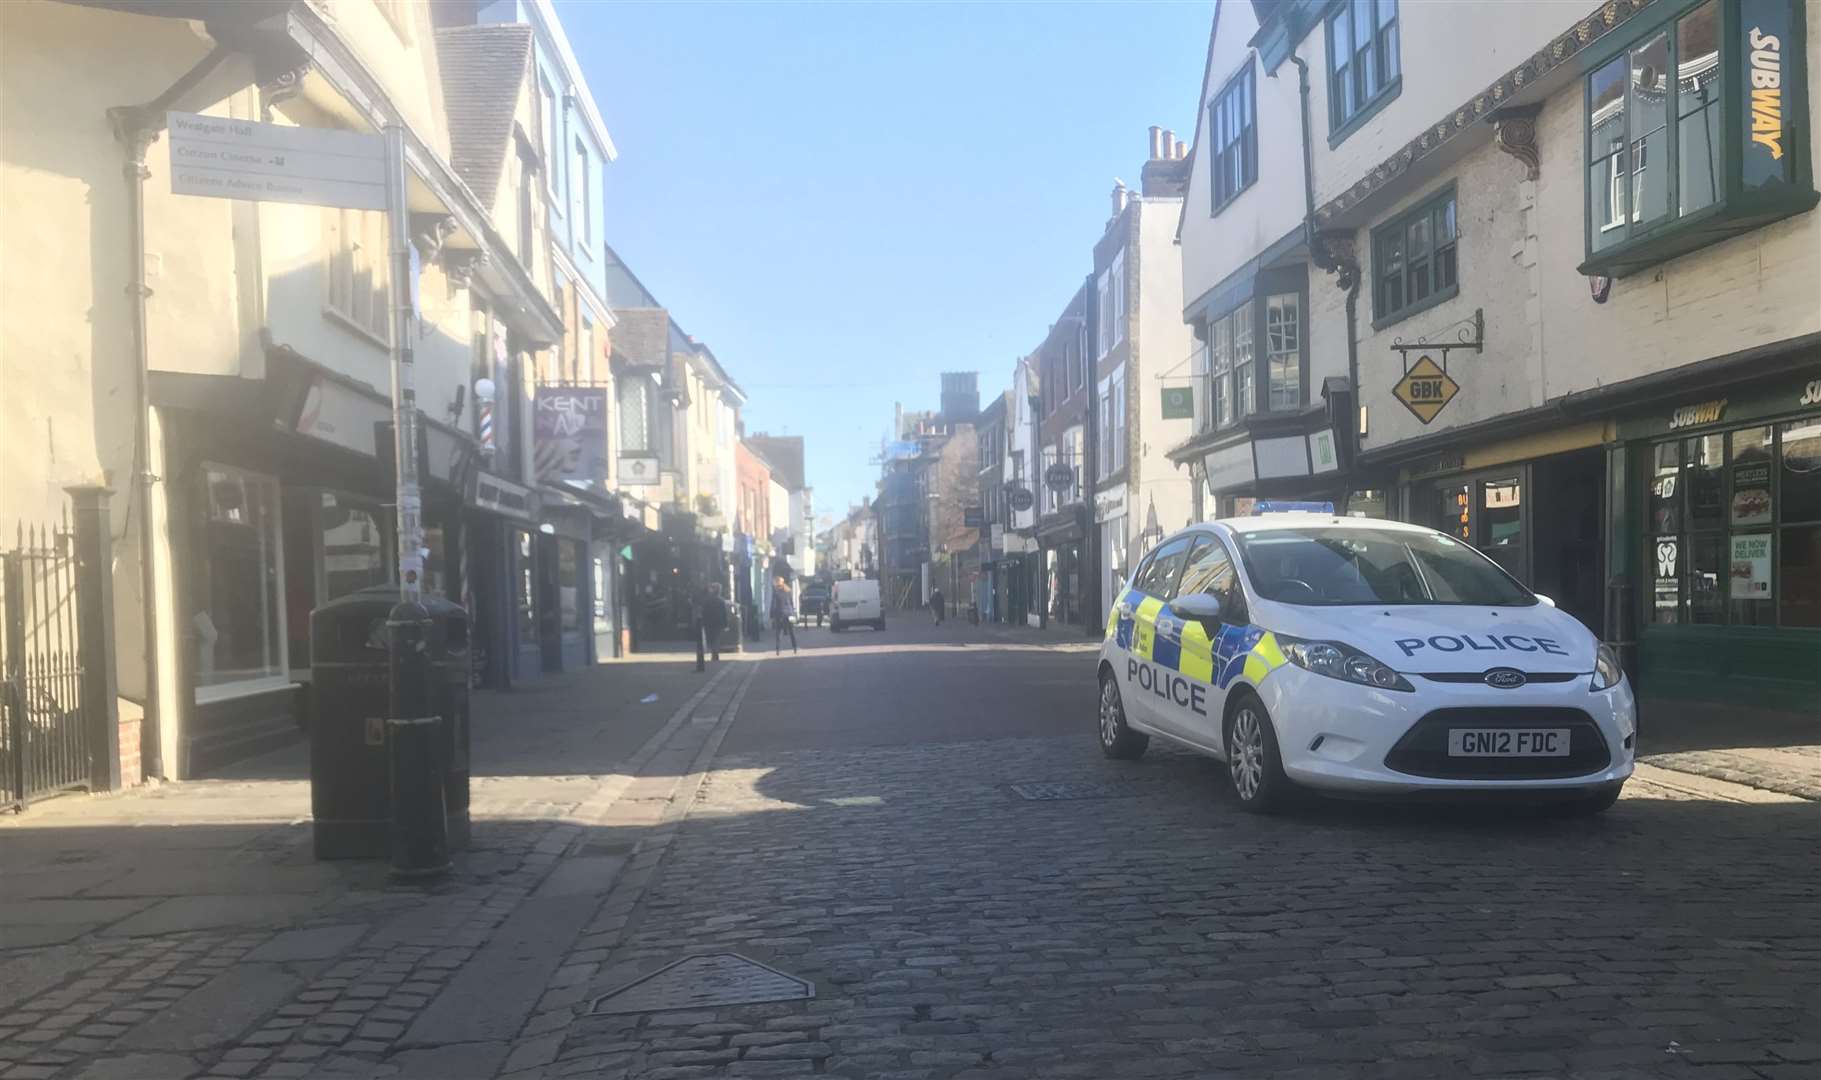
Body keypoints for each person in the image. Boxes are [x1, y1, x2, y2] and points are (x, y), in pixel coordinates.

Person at [696, 582, 728, 662]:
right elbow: (724, 614)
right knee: (716, 639)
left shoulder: (707, 600)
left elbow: (704, 612)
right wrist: (725, 624)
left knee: (711, 638)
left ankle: (714, 653)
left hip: (709, 622)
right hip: (718, 622)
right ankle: (715, 654)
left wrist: (702, 622)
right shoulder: (721, 601)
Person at [771, 577, 798, 654]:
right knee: (792, 631)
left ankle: (778, 650)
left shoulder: (776, 592)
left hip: (780, 614)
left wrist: (772, 615)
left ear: (777, 583)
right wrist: (793, 613)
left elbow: (773, 605)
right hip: (790, 613)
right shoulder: (789, 591)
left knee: (779, 632)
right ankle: (795, 648)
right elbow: (792, 603)